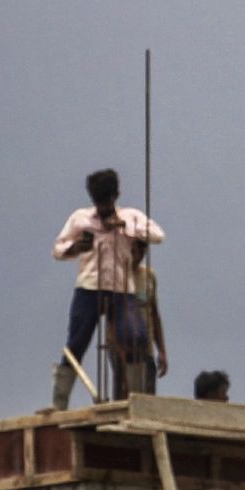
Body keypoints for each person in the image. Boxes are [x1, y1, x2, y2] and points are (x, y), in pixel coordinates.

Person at [51, 169, 165, 410]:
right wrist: (77, 247)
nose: (103, 208)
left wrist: (126, 227)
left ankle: (136, 399)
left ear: (116, 196)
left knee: (135, 337)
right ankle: (59, 403)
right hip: (89, 287)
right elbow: (58, 250)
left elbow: (158, 235)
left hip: (122, 289)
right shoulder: (81, 218)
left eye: (107, 201)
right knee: (77, 342)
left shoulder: (131, 216)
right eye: (99, 202)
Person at [110, 246, 168, 398]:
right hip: (122, 348)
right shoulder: (115, 276)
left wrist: (162, 350)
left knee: (147, 398)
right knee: (125, 397)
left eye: (141, 252)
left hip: (145, 347)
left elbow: (154, 314)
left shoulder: (149, 276)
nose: (137, 256)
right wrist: (117, 346)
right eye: (134, 251)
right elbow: (109, 316)